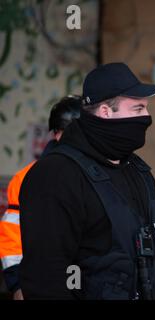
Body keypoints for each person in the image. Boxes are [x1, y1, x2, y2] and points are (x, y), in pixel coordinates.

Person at [19, 62, 155, 300]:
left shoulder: (137, 169)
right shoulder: (56, 175)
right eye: (138, 109)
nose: (147, 118)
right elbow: (45, 279)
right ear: (106, 111)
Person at [0, 96, 81, 300]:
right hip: (44, 286)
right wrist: (17, 285)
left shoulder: (108, 171)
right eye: (70, 131)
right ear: (56, 134)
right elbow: (12, 237)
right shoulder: (24, 179)